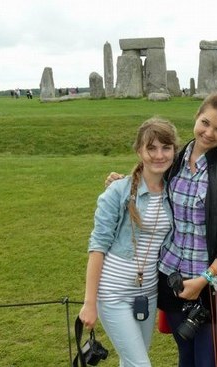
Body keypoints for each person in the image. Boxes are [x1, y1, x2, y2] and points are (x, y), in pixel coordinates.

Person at [107, 93, 217, 367]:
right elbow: (151, 173)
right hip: (171, 277)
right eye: (205, 122)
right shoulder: (176, 160)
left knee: (207, 362)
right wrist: (123, 182)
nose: (209, 133)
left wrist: (204, 279)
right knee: (185, 356)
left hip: (211, 285)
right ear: (196, 117)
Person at [79, 117, 179, 367]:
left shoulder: (175, 192)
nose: (159, 155)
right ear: (139, 151)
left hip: (147, 293)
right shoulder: (118, 191)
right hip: (113, 293)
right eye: (151, 148)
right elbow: (97, 247)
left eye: (166, 148)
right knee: (140, 365)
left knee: (132, 361)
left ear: (174, 151)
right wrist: (90, 303)